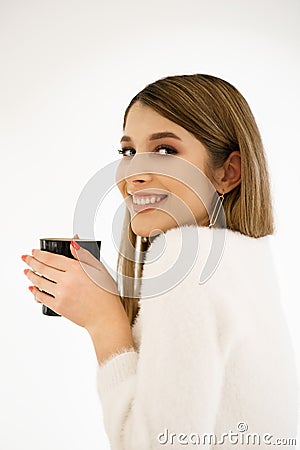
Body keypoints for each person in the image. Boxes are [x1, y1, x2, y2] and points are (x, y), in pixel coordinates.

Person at [22, 74, 298, 449]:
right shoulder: (247, 259)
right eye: (127, 152)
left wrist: (105, 323)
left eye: (166, 151)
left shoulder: (189, 263)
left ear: (227, 173)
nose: (134, 173)